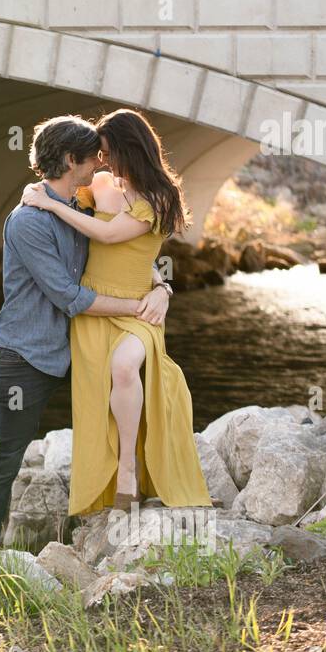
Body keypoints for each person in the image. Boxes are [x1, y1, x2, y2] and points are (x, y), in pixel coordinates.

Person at [0, 114, 173, 552]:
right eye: (94, 157)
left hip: (83, 345)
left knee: (127, 395)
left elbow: (124, 253)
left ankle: (136, 489)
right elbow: (69, 296)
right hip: (26, 355)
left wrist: (161, 286)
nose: (102, 163)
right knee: (6, 456)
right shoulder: (28, 222)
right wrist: (138, 308)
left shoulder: (82, 205)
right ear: (70, 160)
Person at [20, 108, 211, 516]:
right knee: (98, 394)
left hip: (138, 309)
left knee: (125, 367)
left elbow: (109, 235)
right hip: (94, 307)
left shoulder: (159, 198)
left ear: (130, 150)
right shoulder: (102, 184)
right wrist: (36, 196)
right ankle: (111, 476)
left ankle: (128, 469)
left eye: (107, 153)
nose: (101, 163)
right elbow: (61, 189)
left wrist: (162, 288)